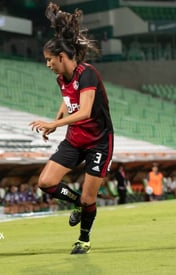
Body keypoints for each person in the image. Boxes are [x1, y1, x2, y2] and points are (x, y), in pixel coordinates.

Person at [29, 2, 114, 254]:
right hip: (75, 140)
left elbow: (85, 111)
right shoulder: (62, 78)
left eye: (49, 60)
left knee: (91, 198)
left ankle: (84, 239)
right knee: (45, 182)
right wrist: (56, 121)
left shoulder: (87, 74)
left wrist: (53, 123)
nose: (47, 64)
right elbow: (68, 102)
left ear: (62, 57)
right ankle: (77, 203)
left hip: (99, 141)